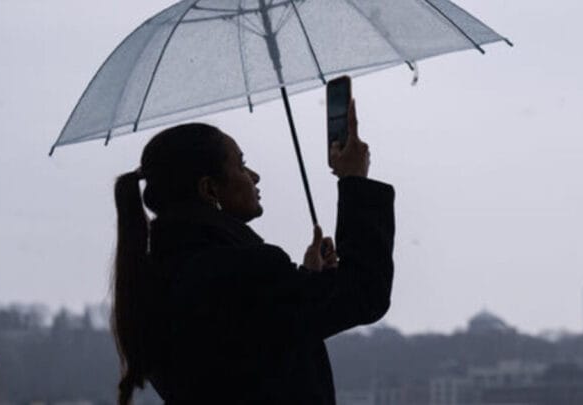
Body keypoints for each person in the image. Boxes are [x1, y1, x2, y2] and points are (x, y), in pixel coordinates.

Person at [111, 100, 395, 404]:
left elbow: (261, 341)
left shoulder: (158, 278)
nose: (254, 176)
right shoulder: (244, 271)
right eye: (241, 164)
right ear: (209, 190)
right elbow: (364, 293)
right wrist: (354, 181)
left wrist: (307, 279)